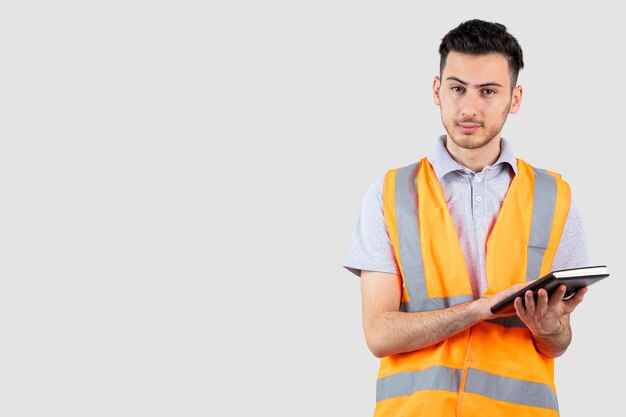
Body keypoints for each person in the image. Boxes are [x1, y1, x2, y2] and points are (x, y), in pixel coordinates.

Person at [343, 19, 590, 417]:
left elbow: (557, 343)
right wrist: (481, 309)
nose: (470, 107)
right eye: (457, 88)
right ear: (437, 90)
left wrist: (550, 329)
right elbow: (378, 334)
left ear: (515, 98)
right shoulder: (389, 194)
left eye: (489, 92)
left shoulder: (555, 197)